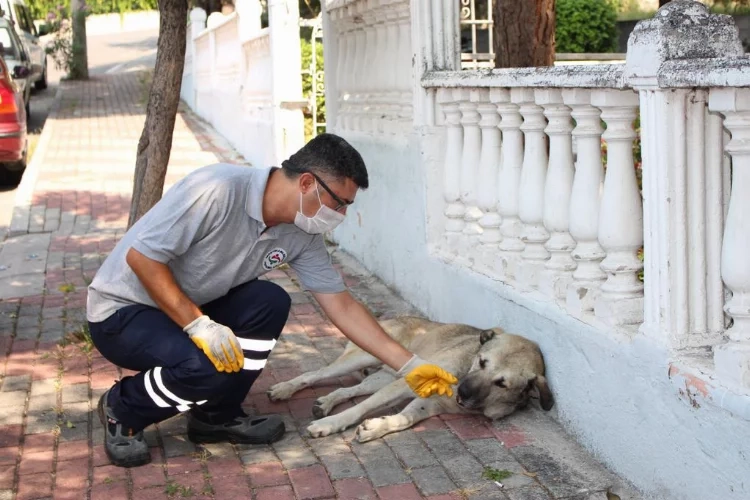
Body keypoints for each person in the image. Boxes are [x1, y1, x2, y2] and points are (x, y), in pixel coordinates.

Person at [86, 133, 458, 468]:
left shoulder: (301, 233)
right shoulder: (216, 188)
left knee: (269, 301)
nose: (341, 215)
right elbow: (142, 258)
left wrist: (408, 364)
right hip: (123, 312)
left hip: (189, 305)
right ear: (308, 183)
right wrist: (199, 325)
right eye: (339, 203)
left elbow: (341, 304)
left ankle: (215, 416)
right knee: (206, 367)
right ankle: (125, 408)